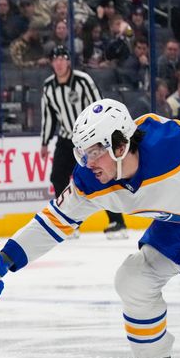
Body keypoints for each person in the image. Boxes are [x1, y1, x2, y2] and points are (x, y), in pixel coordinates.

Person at [0, 98, 180, 358]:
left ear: (120, 144)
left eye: (94, 152)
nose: (87, 162)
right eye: (81, 153)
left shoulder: (179, 145)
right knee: (134, 278)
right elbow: (53, 222)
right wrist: (3, 260)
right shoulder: (91, 181)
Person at [40, 45, 127, 238]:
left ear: (68, 61)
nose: (59, 63)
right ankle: (68, 223)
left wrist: (102, 132)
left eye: (62, 58)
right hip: (65, 139)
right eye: (55, 59)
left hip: (89, 139)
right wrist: (44, 142)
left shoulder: (83, 81)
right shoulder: (48, 87)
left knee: (101, 177)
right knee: (57, 177)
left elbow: (99, 104)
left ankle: (117, 222)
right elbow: (49, 116)